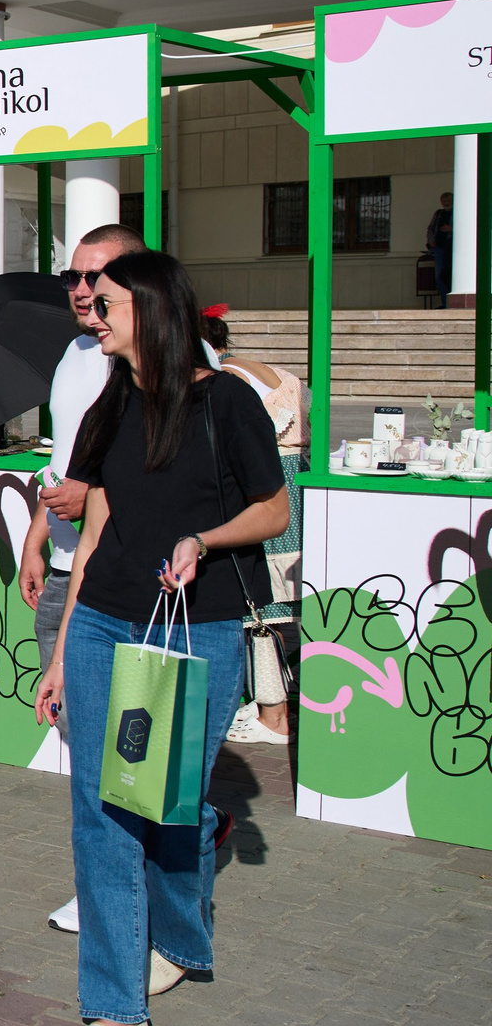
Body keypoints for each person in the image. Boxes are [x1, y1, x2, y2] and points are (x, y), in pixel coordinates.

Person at [30, 249, 287, 1026]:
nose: (91, 315)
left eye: (105, 303)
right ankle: (115, 1008)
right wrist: (64, 648)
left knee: (169, 802)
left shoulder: (226, 403)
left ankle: (181, 936)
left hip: (195, 626)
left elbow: (274, 508)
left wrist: (202, 539)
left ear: (152, 309)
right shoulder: (109, 403)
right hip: (105, 619)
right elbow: (96, 533)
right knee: (103, 810)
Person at [20, 223, 145, 933]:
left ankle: (110, 888)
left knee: (109, 741)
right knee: (76, 729)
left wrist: (89, 496)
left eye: (94, 276)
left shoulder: (164, 356)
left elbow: (161, 478)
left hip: (119, 579)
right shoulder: (75, 354)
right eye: (73, 276)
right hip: (66, 567)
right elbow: (64, 459)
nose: (80, 290)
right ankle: (179, 825)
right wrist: (39, 532)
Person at [201, 309, 303, 746]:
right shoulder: (275, 373)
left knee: (260, 610)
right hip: (293, 483)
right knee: (280, 600)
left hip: (261, 490)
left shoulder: (227, 381)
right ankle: (276, 699)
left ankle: (272, 714)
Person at [428, 191, 454, 306]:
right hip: (439, 249)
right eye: (444, 201)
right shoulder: (438, 214)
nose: (446, 203)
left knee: (451, 275)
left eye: (448, 200)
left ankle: (453, 303)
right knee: (440, 276)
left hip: (453, 249)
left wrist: (452, 229)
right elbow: (431, 228)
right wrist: (431, 241)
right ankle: (445, 303)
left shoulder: (458, 212)